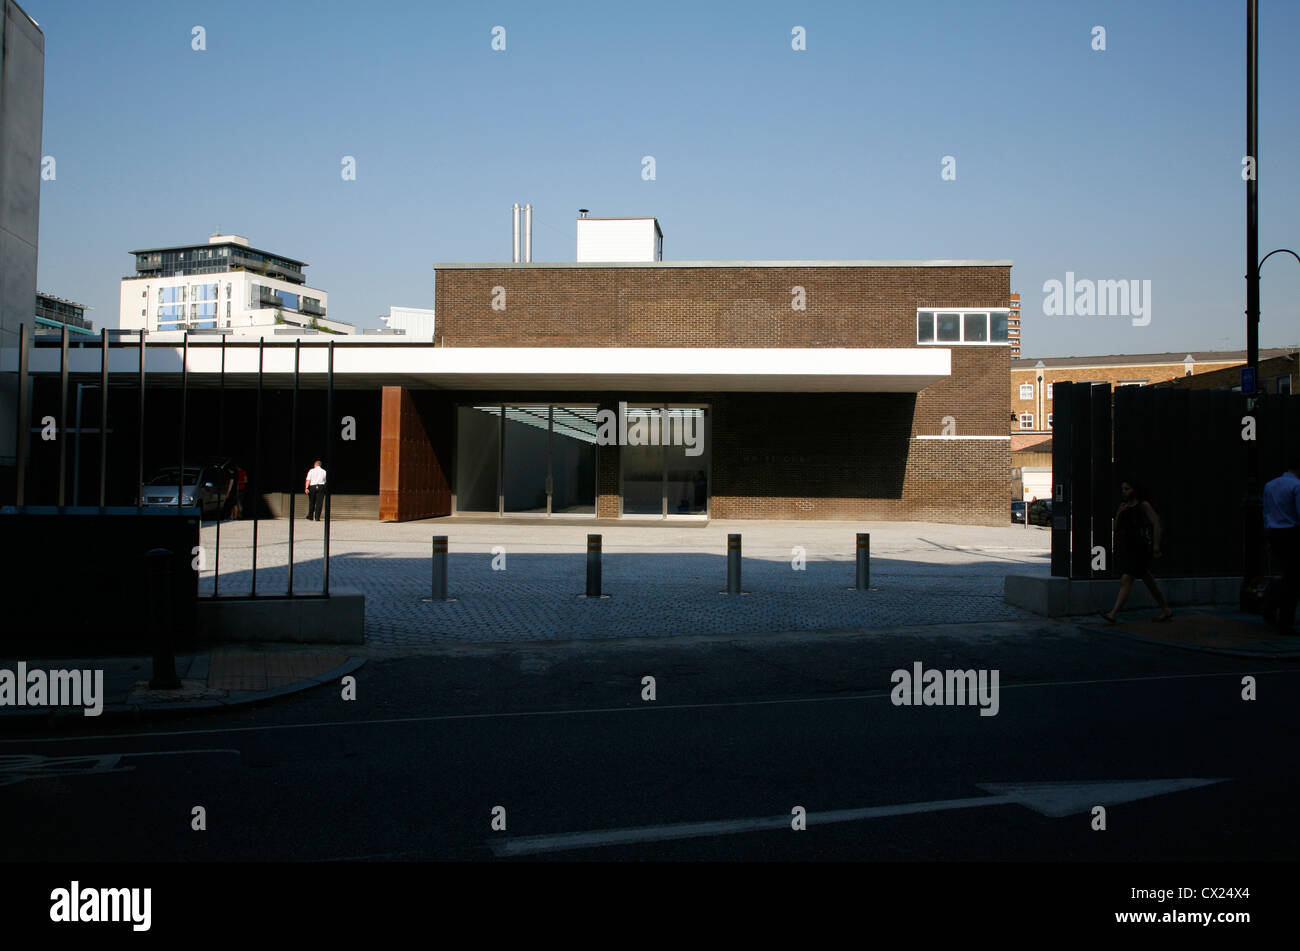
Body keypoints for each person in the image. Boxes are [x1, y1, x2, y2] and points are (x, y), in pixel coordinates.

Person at [1100, 479, 1173, 624]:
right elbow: (1115, 528)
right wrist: (1119, 512)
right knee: (1148, 580)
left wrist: (1156, 546)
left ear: (1134, 490)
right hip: (1131, 548)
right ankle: (1165, 609)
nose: (1124, 492)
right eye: (1123, 489)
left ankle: (1113, 613)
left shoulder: (1143, 505)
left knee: (1126, 579)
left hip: (1142, 548)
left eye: (1127, 489)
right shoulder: (1124, 508)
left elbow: (1156, 523)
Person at [1262, 452, 1300, 635]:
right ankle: (1285, 620)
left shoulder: (1270, 485)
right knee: (1293, 580)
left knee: (1288, 576)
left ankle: (1270, 604)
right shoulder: (1297, 486)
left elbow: (1266, 513)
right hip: (1292, 535)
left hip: (1274, 534)